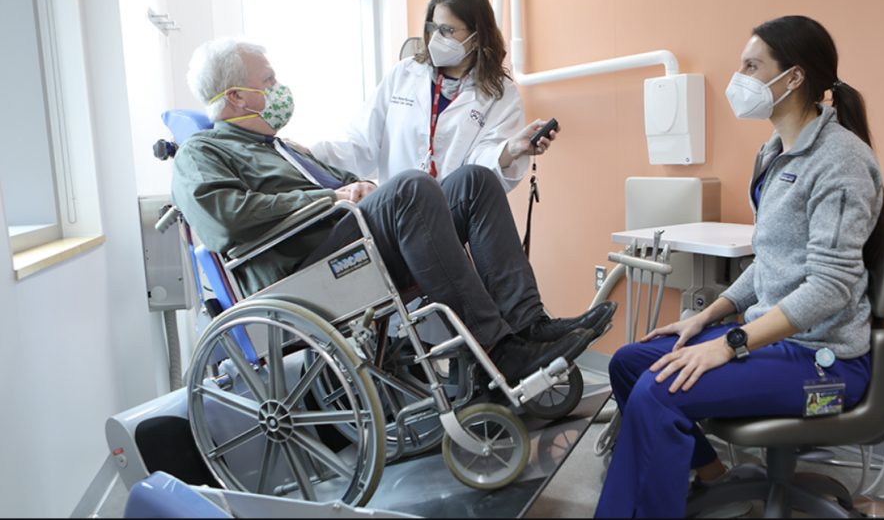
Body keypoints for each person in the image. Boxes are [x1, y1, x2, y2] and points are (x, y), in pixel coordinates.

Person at [171, 37, 615, 385]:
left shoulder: (282, 148)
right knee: (410, 188)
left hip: (350, 245)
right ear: (237, 96)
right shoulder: (201, 152)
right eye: (267, 82)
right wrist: (330, 199)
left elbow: (348, 178)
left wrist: (352, 192)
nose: (277, 89)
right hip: (304, 275)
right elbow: (224, 219)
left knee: (474, 182)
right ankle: (498, 352)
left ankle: (529, 325)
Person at [595, 16, 884, 518]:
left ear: (793, 77)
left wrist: (730, 346)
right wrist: (708, 317)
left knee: (659, 393)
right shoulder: (775, 152)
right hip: (778, 344)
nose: (741, 78)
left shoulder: (840, 160)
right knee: (629, 362)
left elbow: (830, 287)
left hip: (827, 366)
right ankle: (714, 477)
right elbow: (771, 261)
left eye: (752, 66)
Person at [306, 0, 557, 193]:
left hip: (450, 215)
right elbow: (359, 141)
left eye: (447, 30)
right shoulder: (405, 74)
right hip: (396, 208)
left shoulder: (500, 94)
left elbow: (478, 175)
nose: (436, 38)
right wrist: (305, 155)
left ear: (478, 36)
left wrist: (512, 148)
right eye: (433, 28)